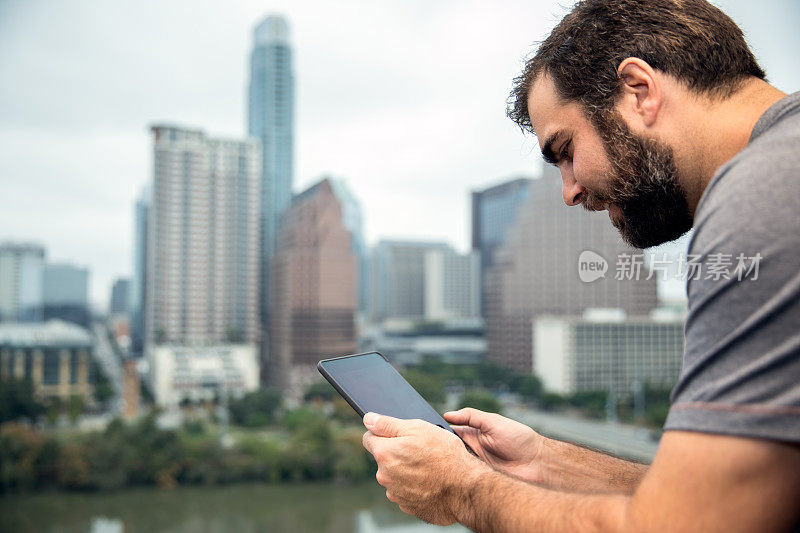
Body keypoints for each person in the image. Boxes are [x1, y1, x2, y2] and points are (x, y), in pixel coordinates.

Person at [361, 0, 800, 530]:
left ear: (639, 90)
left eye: (565, 150)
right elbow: (745, 501)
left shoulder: (764, 192)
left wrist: (463, 490)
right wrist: (544, 461)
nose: (569, 191)